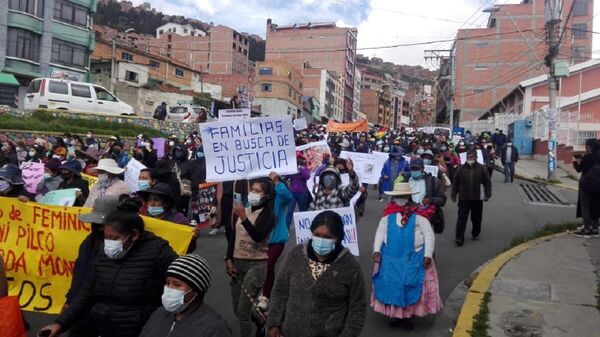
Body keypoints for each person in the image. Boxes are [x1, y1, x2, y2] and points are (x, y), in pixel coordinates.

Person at [39, 196, 179, 337]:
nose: (108, 243)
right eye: (106, 237)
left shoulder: (158, 252)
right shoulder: (103, 252)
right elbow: (86, 293)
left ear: (134, 235)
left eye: (114, 238)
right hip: (99, 325)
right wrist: (60, 324)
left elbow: (182, 283)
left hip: (137, 329)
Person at [267, 210, 367, 337]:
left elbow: (357, 309)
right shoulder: (295, 255)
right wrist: (274, 323)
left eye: (327, 237)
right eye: (317, 235)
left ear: (338, 238)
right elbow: (280, 291)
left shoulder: (350, 266)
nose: (321, 240)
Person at [372, 183, 442, 330]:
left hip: (413, 259)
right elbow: (380, 232)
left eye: (402, 196)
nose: (400, 199)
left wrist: (428, 254)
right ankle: (395, 315)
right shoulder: (388, 213)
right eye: (397, 196)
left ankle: (409, 317)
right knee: (392, 285)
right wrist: (376, 250)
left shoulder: (419, 214)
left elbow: (428, 234)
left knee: (409, 285)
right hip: (391, 259)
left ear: (409, 196)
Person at [63, 196, 120, 337]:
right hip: (83, 305)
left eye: (101, 224)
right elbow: (80, 272)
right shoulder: (89, 241)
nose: (96, 227)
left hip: (104, 310)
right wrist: (71, 299)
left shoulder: (117, 247)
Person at [226, 178, 276, 337]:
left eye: (258, 191)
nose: (253, 193)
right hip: (238, 262)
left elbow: (257, 236)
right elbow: (234, 236)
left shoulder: (268, 215)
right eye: (252, 190)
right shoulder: (244, 209)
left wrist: (243, 217)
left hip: (256, 265)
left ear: (267, 196)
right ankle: (261, 322)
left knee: (243, 311)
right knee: (237, 308)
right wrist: (228, 258)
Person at [139, 254, 232, 337]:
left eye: (177, 285)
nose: (169, 289)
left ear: (195, 291)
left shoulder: (214, 328)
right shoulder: (159, 314)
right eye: (167, 283)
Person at [259, 172, 293, 311]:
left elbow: (288, 197)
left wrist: (277, 182)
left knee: (268, 265)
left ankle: (265, 296)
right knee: (262, 268)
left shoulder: (279, 197)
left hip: (276, 239)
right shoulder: (256, 200)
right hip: (260, 239)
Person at [451, 149, 492, 246]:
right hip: (464, 198)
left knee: (476, 218)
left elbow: (487, 182)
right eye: (468, 157)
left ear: (476, 158)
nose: (470, 159)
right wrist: (453, 194)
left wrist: (487, 194)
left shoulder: (482, 168)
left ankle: (475, 233)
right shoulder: (461, 169)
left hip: (477, 198)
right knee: (461, 218)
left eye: (472, 157)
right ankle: (459, 238)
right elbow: (455, 183)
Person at [407, 158, 447, 233]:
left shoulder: (434, 182)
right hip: (408, 218)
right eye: (412, 168)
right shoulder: (405, 181)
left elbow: (442, 200)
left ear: (422, 168)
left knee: (426, 240)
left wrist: (431, 200)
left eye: (417, 168)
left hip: (426, 218)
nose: (414, 170)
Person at [574, 139, 600, 237]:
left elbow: (579, 169)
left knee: (586, 207)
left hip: (586, 185)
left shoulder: (587, 157)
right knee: (596, 205)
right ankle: (595, 229)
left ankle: (586, 229)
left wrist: (575, 162)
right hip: (598, 186)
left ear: (589, 147)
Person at [285, 154, 311, 226]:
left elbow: (307, 176)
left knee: (303, 210)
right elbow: (286, 177)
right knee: (289, 210)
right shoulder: (292, 169)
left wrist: (301, 169)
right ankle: (286, 229)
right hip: (292, 192)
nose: (298, 162)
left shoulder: (304, 168)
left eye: (300, 161)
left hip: (302, 192)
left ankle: (305, 227)